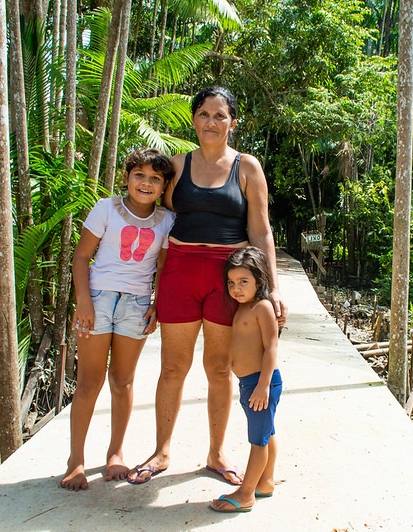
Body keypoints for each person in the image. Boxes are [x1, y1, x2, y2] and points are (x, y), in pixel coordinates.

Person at [127, 86, 287, 485]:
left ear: (233, 122)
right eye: (203, 114)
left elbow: (260, 230)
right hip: (181, 273)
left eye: (219, 115)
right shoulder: (177, 166)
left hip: (228, 279)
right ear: (194, 119)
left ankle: (216, 453)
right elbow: (155, 221)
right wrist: (147, 286)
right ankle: (162, 451)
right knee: (172, 367)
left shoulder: (247, 168)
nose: (211, 122)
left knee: (219, 368)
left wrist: (273, 288)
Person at [60, 148, 176, 491]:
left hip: (136, 305)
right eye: (139, 175)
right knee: (88, 382)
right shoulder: (106, 209)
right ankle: (75, 460)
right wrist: (83, 302)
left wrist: (157, 302)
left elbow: (162, 268)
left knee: (123, 381)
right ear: (126, 178)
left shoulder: (167, 221)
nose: (146, 183)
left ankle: (116, 453)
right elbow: (82, 258)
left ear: (163, 186)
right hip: (97, 301)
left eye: (155, 179)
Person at [209, 246, 282, 513]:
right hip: (249, 383)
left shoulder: (262, 307)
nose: (236, 288)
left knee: (258, 440)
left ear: (259, 281)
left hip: (261, 384)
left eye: (243, 282)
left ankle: (246, 492)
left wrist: (263, 385)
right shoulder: (241, 308)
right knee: (267, 432)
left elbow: (271, 347)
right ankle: (266, 482)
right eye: (231, 282)